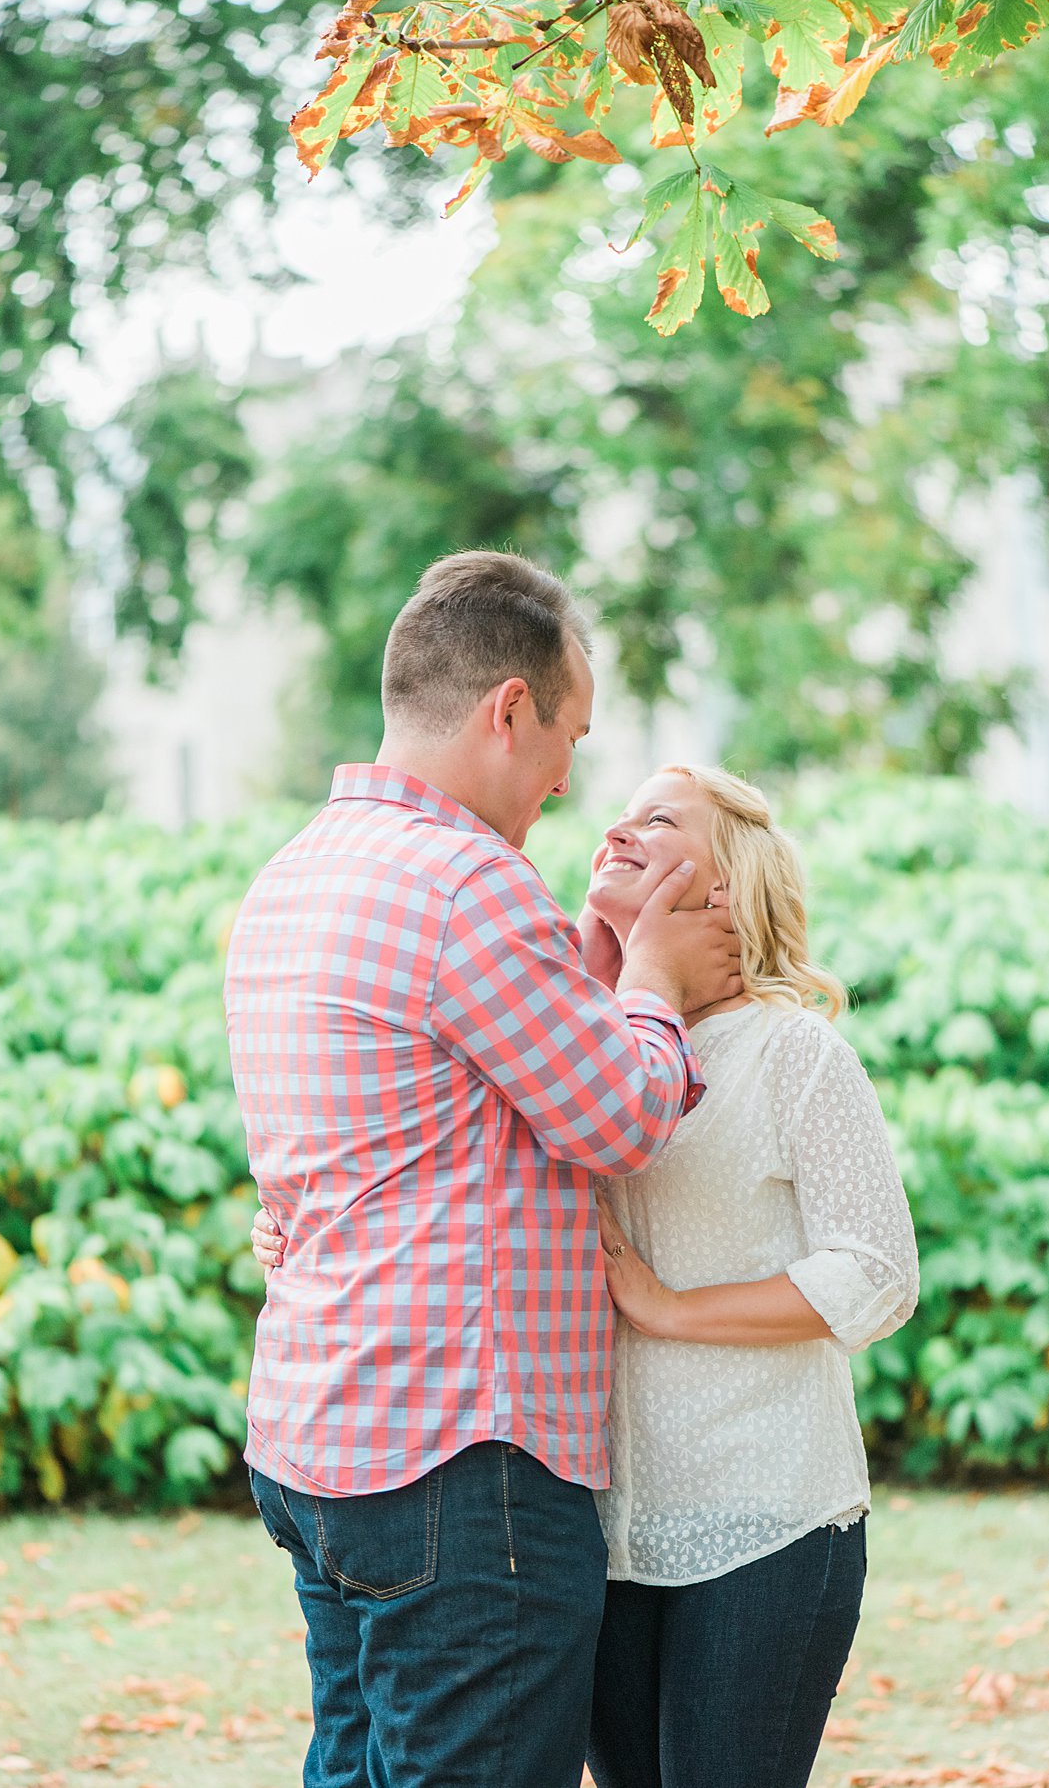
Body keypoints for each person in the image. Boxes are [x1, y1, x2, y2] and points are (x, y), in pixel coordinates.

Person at [255, 759, 918, 1788]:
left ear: (726, 881)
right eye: (621, 811)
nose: (615, 826)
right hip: (603, 1530)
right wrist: (302, 1226)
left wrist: (668, 1307)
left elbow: (875, 1276)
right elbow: (444, 1157)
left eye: (658, 820)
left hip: (768, 1521)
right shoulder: (583, 1038)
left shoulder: (794, 1053)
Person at [223, 550, 742, 1788]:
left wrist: (593, 961)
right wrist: (659, 986)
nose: (572, 782)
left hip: (320, 1442)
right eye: (571, 734)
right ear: (510, 710)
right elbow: (616, 1118)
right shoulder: (468, 884)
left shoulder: (295, 875)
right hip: (460, 1469)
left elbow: (437, 1098)